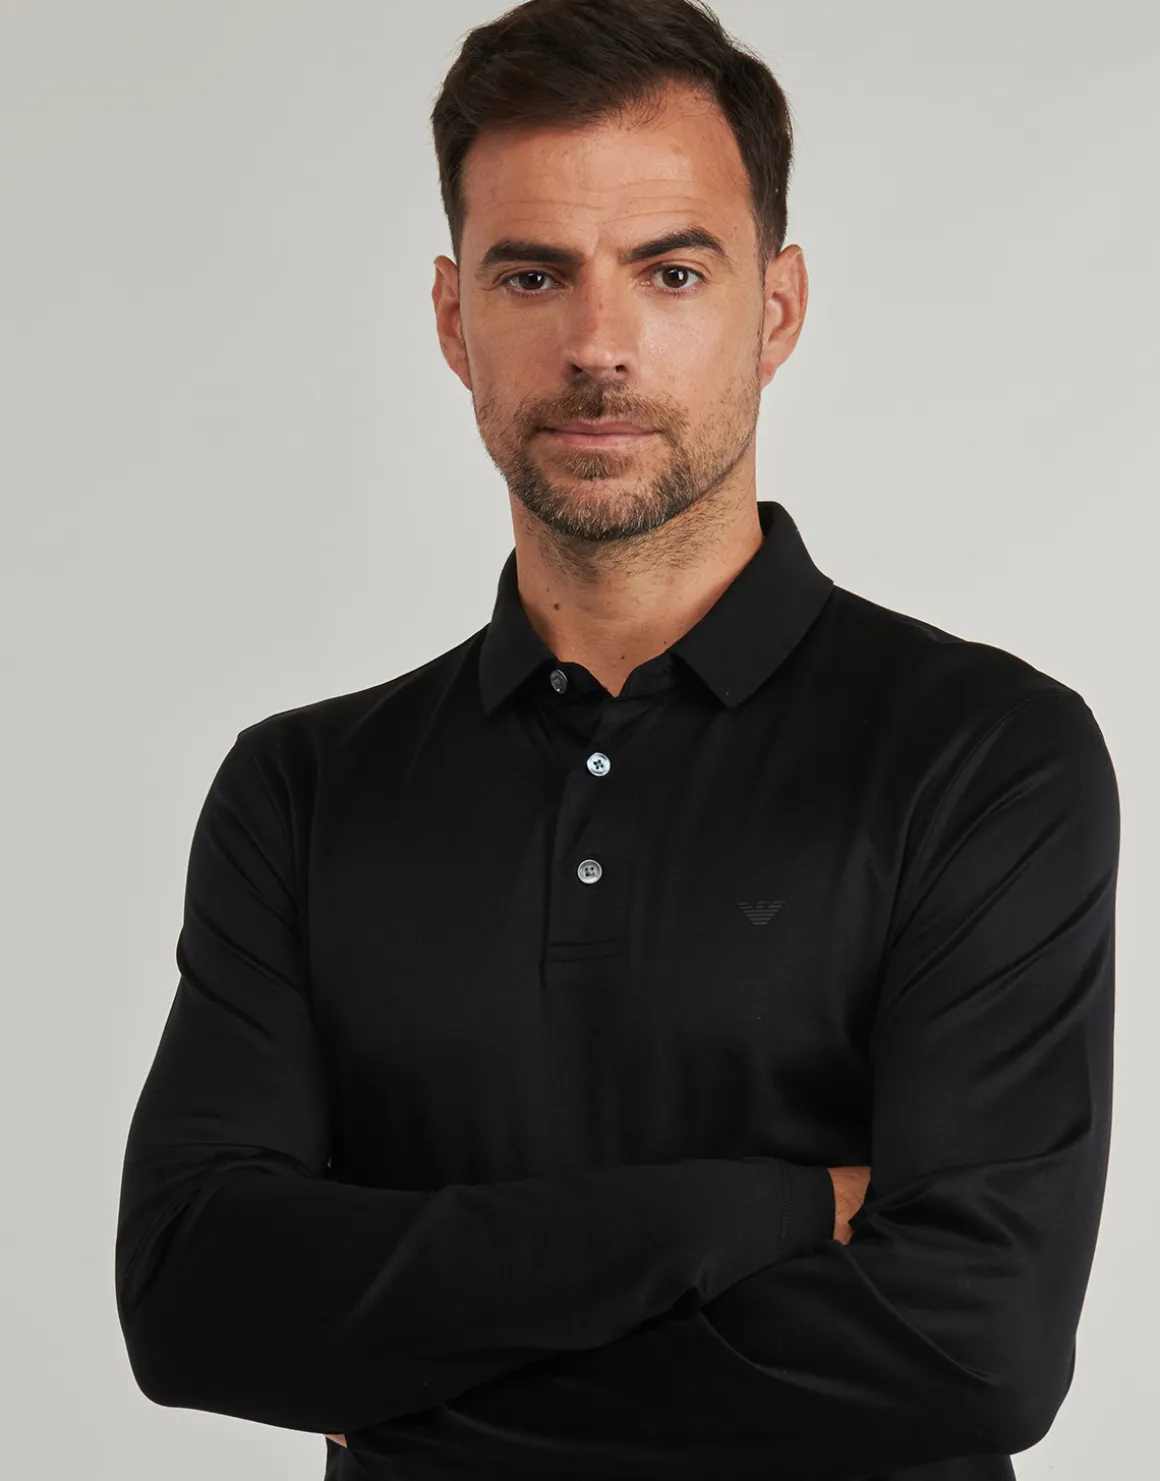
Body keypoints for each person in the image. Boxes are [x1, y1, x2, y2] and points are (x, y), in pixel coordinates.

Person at [114, 2, 1120, 1478]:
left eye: (671, 271)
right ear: (453, 317)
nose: (597, 345)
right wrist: (772, 1207)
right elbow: (192, 1301)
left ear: (776, 309)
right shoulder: (303, 791)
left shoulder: (986, 756)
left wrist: (397, 1382)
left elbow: (975, 1349)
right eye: (533, 275)